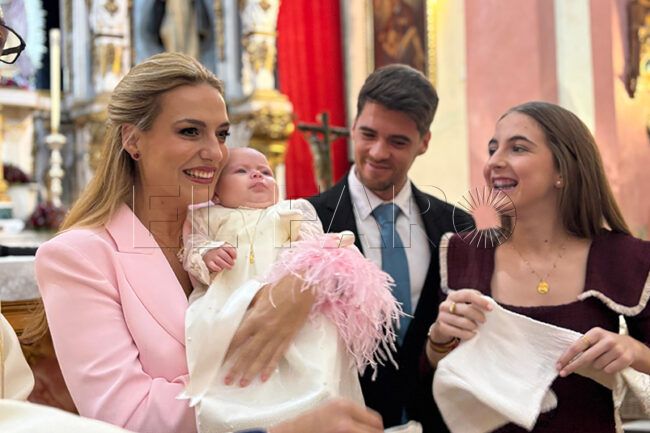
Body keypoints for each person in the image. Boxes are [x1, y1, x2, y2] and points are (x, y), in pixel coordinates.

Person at [33, 52, 383, 433]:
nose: (215, 153)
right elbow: (128, 416)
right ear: (133, 140)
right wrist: (285, 422)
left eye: (221, 134)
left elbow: (343, 258)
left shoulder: (227, 222)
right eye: (190, 131)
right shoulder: (76, 258)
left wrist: (303, 287)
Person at [427, 101, 650, 432]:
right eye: (492, 149)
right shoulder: (462, 253)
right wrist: (439, 337)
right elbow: (428, 377)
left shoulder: (624, 257)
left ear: (562, 170)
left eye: (517, 148)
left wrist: (634, 351)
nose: (494, 162)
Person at [179, 146, 401, 432]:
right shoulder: (207, 216)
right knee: (232, 356)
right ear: (216, 192)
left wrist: (321, 251)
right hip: (230, 299)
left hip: (291, 298)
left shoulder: (290, 211)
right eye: (241, 171)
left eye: (266, 172)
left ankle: (312, 404)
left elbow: (314, 249)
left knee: (311, 353)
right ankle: (243, 413)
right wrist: (207, 254)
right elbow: (191, 250)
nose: (257, 175)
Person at [308, 63, 469, 432]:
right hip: (340, 420)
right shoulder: (306, 221)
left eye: (398, 142)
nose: (378, 152)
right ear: (353, 127)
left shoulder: (458, 227)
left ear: (424, 142)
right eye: (368, 134)